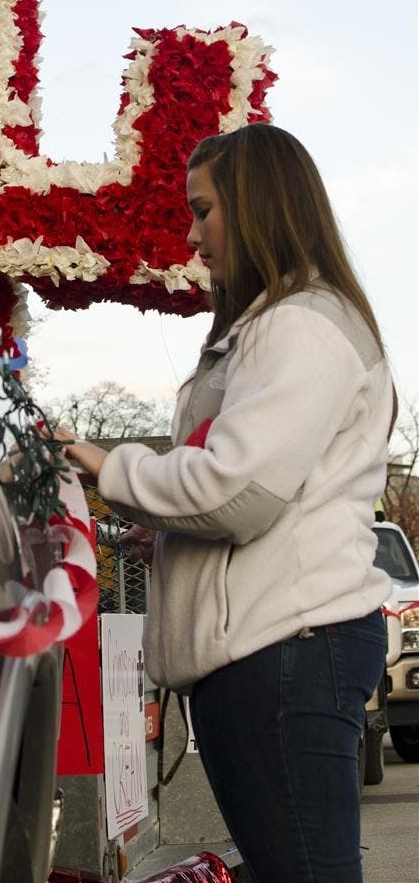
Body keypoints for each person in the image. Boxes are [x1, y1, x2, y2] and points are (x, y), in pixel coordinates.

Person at [49, 123, 395, 882]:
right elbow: (259, 493)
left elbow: (238, 490)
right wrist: (169, 538)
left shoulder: (301, 325)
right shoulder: (276, 324)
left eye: (203, 210)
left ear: (258, 205)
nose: (193, 233)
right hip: (276, 657)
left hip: (288, 656)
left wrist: (108, 465)